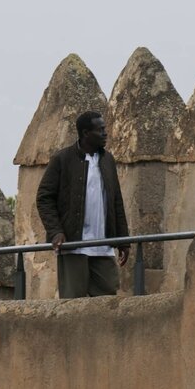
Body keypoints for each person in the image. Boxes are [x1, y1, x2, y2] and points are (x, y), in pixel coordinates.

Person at [36, 111, 130, 298]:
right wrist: (55, 231)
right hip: (74, 245)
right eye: (100, 129)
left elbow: (116, 201)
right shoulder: (62, 159)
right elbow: (44, 198)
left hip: (103, 245)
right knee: (73, 304)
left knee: (108, 300)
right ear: (86, 133)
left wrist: (123, 240)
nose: (105, 133)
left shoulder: (107, 160)